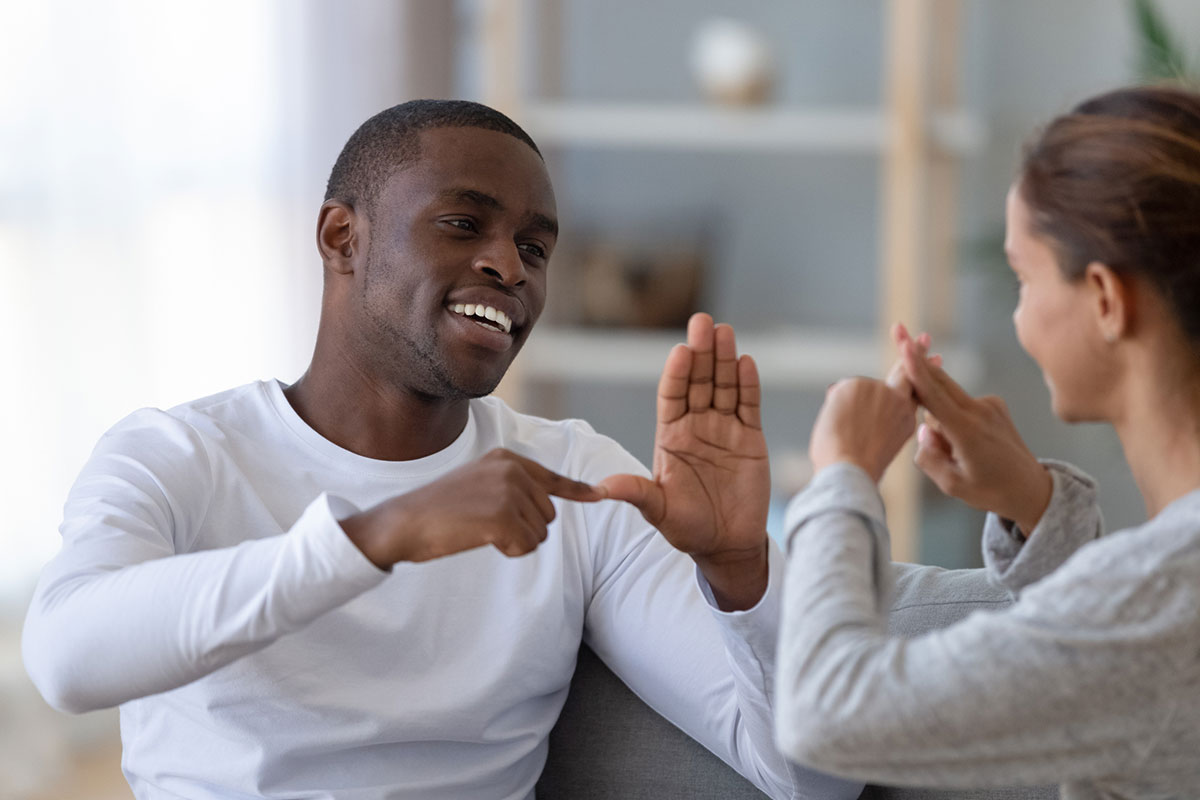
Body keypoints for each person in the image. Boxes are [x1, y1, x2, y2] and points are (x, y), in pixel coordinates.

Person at [22, 100, 858, 800]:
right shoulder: (177, 455)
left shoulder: (579, 479)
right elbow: (66, 660)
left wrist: (741, 569)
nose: (510, 267)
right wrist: (378, 534)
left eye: (535, 248)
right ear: (342, 238)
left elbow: (812, 778)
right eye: (463, 224)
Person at [773, 85, 1200, 798]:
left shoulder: (1165, 594)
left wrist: (842, 475)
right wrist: (1037, 506)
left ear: (1105, 299)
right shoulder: (1165, 589)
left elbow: (825, 716)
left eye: (1022, 278)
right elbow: (1119, 673)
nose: (1018, 317)